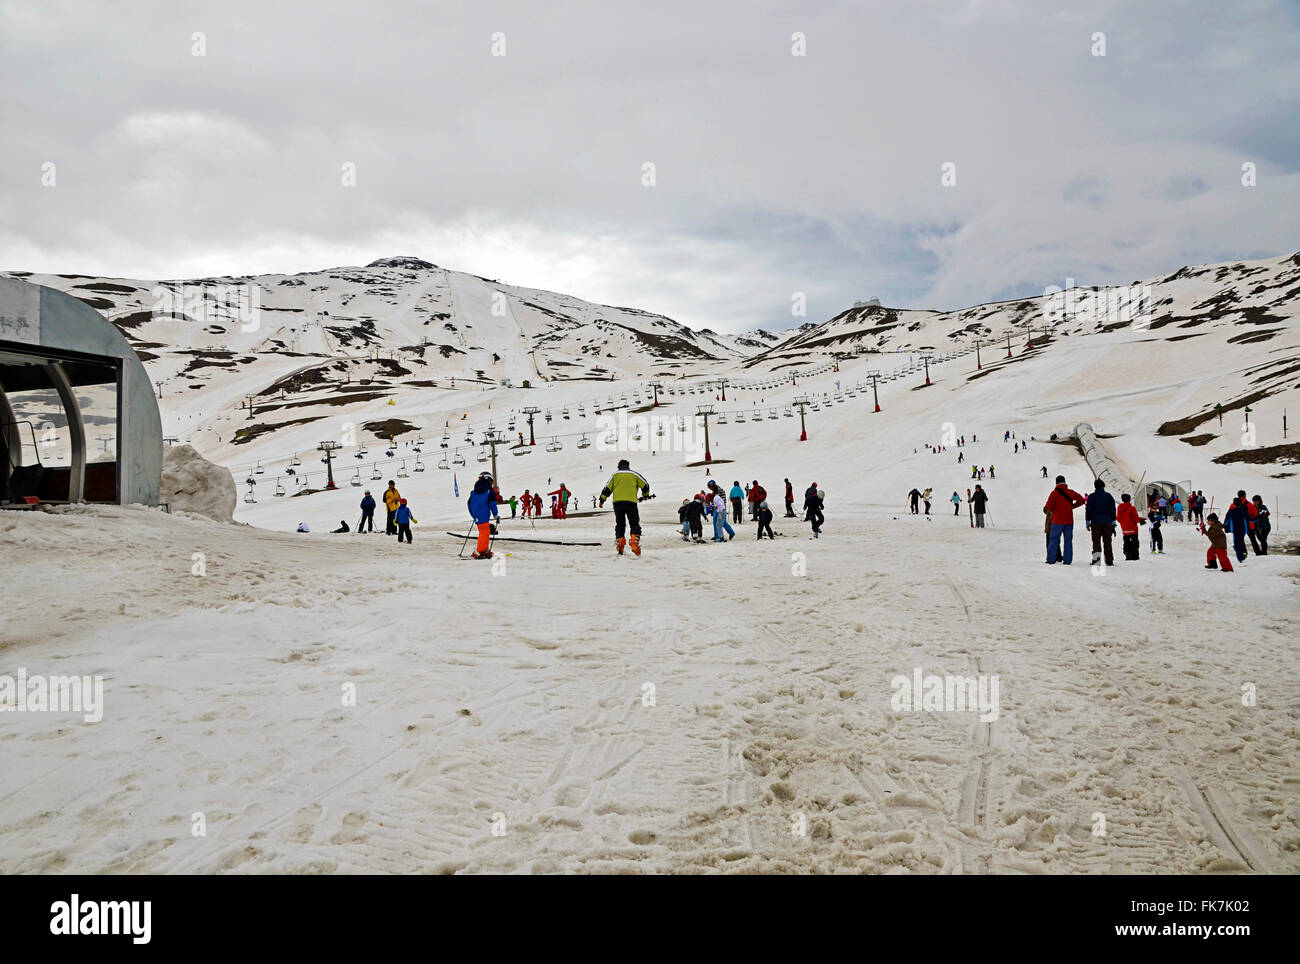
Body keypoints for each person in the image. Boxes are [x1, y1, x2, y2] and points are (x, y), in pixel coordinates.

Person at [599, 458, 650, 555]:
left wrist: (602, 500)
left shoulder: (615, 475)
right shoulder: (634, 474)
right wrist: (645, 495)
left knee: (620, 524)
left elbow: (607, 489)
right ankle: (634, 543)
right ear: (628, 466)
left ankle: (620, 545)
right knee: (634, 523)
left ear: (619, 466)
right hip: (631, 503)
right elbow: (645, 485)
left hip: (617, 503)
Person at [1043, 475, 1086, 564]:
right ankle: (1067, 560)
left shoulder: (1054, 493)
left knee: (1054, 540)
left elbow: (1048, 507)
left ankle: (1051, 559)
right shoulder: (1070, 492)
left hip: (1057, 521)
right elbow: (1082, 500)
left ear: (1056, 483)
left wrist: (1055, 508)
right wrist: (1072, 507)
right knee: (1068, 541)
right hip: (1069, 521)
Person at [467, 471, 499, 559]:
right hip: (484, 514)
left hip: (477, 515)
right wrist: (496, 515)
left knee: (485, 531)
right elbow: (492, 504)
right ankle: (479, 551)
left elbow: (469, 504)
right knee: (484, 532)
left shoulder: (473, 492)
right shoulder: (489, 491)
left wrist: (473, 515)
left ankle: (484, 550)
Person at [1084, 479, 1117, 566]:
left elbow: (1088, 510)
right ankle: (1109, 560)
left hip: (1095, 523)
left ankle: (1096, 560)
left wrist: (1088, 521)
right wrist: (1113, 520)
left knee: (1096, 542)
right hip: (1107, 522)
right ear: (1103, 486)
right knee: (1107, 542)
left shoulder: (1091, 497)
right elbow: (1113, 509)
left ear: (1095, 486)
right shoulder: (1109, 496)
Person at [1224, 492, 1251, 563]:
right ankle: (1244, 553)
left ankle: (1240, 558)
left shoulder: (1231, 511)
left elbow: (1226, 521)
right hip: (1243, 530)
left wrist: (1224, 527)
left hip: (1235, 530)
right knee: (1241, 541)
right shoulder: (1244, 511)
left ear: (1234, 504)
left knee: (1236, 544)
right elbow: (1247, 521)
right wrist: (1247, 530)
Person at [1117, 493, 1142, 560]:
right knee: (1135, 543)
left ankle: (1128, 555)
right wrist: (1141, 519)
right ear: (1129, 499)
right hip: (1133, 530)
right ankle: (1135, 556)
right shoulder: (1132, 508)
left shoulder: (1120, 508)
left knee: (1126, 542)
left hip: (1125, 530)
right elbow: (1135, 519)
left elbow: (1118, 519)